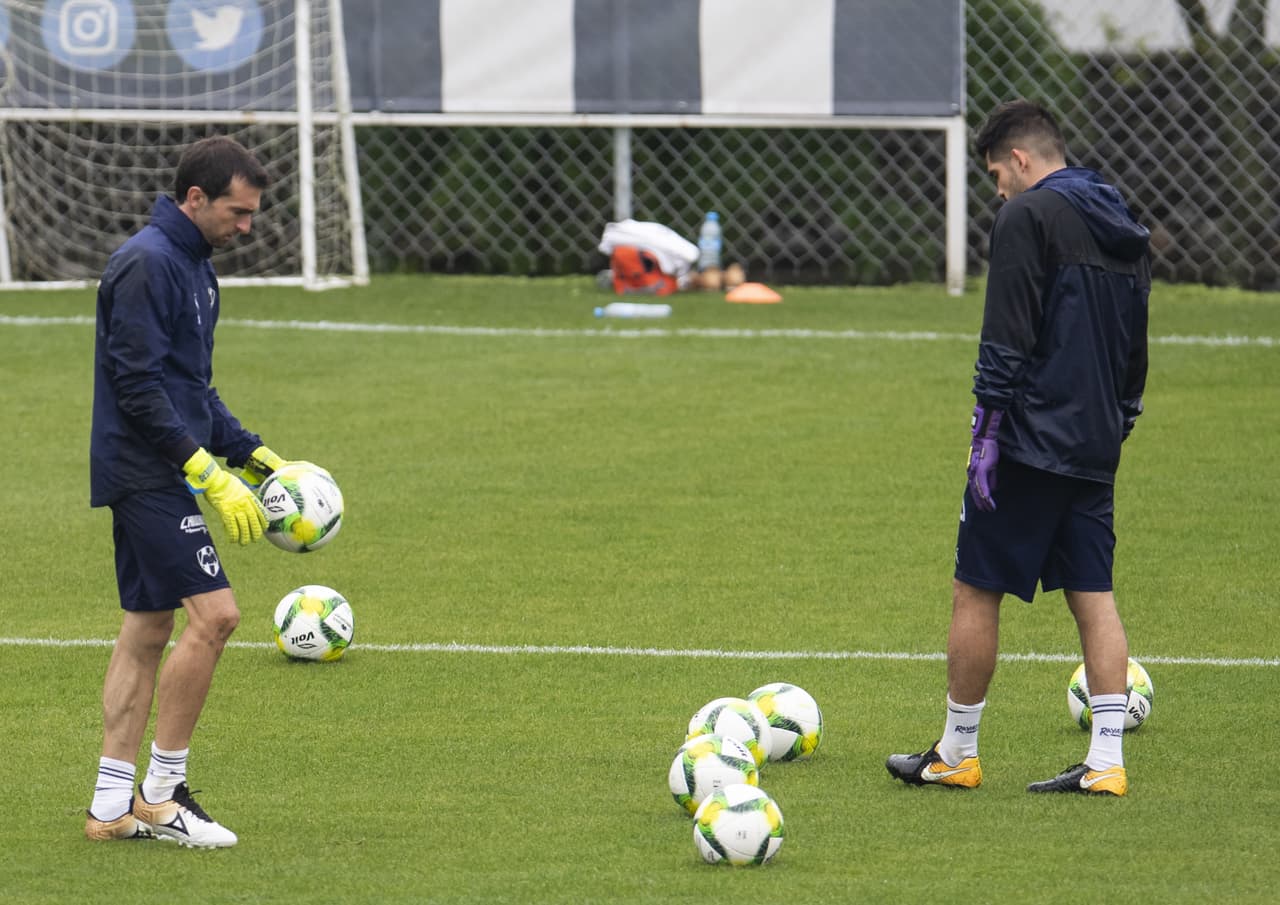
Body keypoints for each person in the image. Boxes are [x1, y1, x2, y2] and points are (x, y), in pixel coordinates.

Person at [885, 100, 1150, 796]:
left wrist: (987, 431)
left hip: (1031, 438)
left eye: (998, 173)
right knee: (1094, 594)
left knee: (976, 586)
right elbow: (1135, 343)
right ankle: (1106, 763)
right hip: (1095, 439)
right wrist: (1120, 416)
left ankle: (957, 752)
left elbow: (1006, 332)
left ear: (1022, 161)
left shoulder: (1025, 216)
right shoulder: (1117, 215)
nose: (997, 189)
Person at [85, 137, 299, 846]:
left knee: (148, 629)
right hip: (145, 471)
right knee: (217, 617)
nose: (247, 228)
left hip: (163, 465)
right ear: (196, 198)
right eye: (237, 213)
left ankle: (110, 806)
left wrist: (252, 454)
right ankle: (162, 793)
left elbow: (192, 388)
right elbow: (138, 387)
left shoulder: (197, 270)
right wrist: (207, 473)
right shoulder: (146, 263)